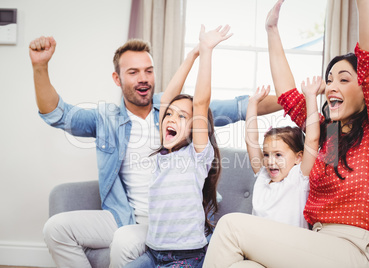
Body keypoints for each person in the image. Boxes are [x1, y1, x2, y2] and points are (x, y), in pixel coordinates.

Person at [29, 32, 281, 266]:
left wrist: (296, 100)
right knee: (56, 228)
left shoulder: (174, 113)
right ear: (117, 78)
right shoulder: (107, 119)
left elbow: (238, 106)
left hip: (165, 225)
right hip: (121, 215)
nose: (143, 78)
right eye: (133, 72)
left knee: (125, 240)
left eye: (148, 71)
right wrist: (40, 67)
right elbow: (59, 115)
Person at [203, 0, 369, 267]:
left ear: (367, 91)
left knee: (230, 228)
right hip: (317, 243)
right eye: (329, 79)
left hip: (359, 248)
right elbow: (288, 96)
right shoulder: (330, 139)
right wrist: (271, 30)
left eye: (343, 79)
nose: (331, 86)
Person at [122, 24, 232, 268]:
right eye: (169, 115)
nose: (171, 118)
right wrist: (191, 56)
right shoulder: (162, 153)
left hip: (186, 255)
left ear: (196, 128)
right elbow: (164, 100)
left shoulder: (196, 156)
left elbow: (201, 102)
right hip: (154, 253)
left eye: (182, 116)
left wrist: (206, 52)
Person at [245, 78, 320, 229]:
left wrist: (311, 96)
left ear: (298, 157)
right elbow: (250, 141)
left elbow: (312, 140)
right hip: (258, 246)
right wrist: (253, 103)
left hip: (288, 248)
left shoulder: (298, 178)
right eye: (266, 155)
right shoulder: (262, 176)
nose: (270, 161)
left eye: (278, 155)